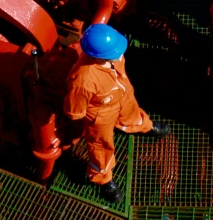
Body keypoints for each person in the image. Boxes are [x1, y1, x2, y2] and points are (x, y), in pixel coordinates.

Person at [64, 24, 170, 203]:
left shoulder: (114, 54)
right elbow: (75, 112)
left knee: (133, 114)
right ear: (97, 56)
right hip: (100, 115)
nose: (119, 54)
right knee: (101, 147)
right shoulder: (83, 80)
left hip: (122, 97)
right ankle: (103, 178)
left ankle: (144, 126)